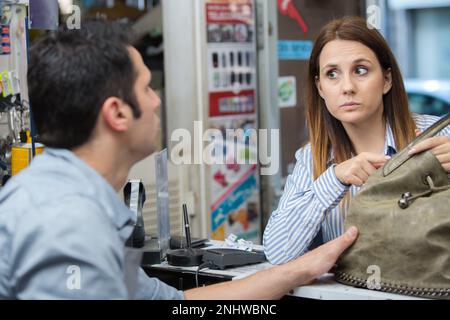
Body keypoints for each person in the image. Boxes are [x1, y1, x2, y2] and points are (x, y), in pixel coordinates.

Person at [0, 20, 358, 300]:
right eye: (145, 88)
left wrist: (298, 270)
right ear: (117, 113)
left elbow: (178, 301)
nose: (156, 101)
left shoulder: (78, 202)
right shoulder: (66, 223)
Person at [263, 16, 450, 265]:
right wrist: (335, 178)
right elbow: (277, 253)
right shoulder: (312, 159)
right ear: (320, 88)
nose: (347, 87)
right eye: (332, 74)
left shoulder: (438, 136)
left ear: (386, 80)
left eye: (360, 70)